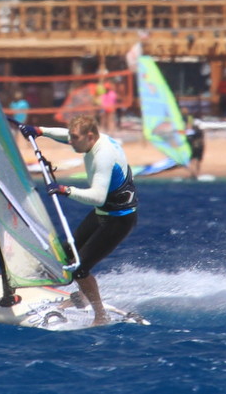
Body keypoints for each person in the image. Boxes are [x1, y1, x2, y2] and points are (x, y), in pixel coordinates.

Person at [20, 115, 138, 326]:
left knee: (80, 268)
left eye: (74, 138)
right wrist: (39, 131)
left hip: (119, 220)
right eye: (71, 137)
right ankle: (83, 297)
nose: (70, 142)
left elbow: (97, 197)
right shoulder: (94, 140)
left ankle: (100, 315)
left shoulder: (103, 156)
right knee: (66, 254)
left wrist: (66, 190)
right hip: (103, 213)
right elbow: (65, 135)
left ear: (89, 136)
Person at [185, 113, 205, 180]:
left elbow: (186, 134)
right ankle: (197, 174)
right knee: (198, 161)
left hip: (194, 147)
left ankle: (192, 174)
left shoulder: (193, 131)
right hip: (200, 146)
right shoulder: (201, 131)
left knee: (192, 160)